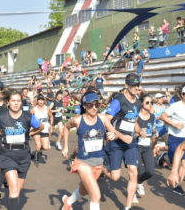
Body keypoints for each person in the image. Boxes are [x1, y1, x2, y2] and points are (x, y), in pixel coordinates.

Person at [61, 91, 121, 210]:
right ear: (84, 105)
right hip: (83, 162)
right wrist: (66, 146)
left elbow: (114, 132)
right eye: (90, 105)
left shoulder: (103, 118)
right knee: (96, 195)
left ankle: (68, 202)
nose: (94, 108)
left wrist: (114, 135)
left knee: (84, 190)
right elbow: (66, 128)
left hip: (98, 163)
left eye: (96, 105)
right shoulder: (78, 120)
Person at [0, 89, 43, 210]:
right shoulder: (1, 116)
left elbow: (41, 127)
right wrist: (1, 132)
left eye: (18, 101)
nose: (15, 103)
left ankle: (8, 181)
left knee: (17, 190)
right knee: (14, 189)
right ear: (8, 102)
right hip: (7, 155)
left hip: (24, 156)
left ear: (21, 102)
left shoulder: (28, 117)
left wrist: (29, 134)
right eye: (13, 101)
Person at [103, 73, 142, 209]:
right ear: (126, 86)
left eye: (137, 85)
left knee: (133, 172)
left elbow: (134, 121)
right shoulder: (118, 101)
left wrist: (139, 131)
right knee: (115, 177)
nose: (136, 87)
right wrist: (119, 135)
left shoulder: (138, 102)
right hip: (116, 143)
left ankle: (127, 207)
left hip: (131, 143)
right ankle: (100, 169)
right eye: (133, 85)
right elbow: (106, 120)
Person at [159, 86, 185, 195]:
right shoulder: (174, 106)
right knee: (174, 162)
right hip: (174, 137)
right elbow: (163, 116)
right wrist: (174, 124)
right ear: (182, 95)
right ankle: (164, 157)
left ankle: (177, 185)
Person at [135, 94, 157, 199]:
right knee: (138, 171)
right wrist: (139, 133)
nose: (150, 104)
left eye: (151, 102)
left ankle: (138, 183)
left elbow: (152, 129)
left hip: (147, 146)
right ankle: (132, 191)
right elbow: (131, 131)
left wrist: (154, 133)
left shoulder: (152, 116)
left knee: (150, 172)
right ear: (141, 103)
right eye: (147, 102)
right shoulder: (136, 116)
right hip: (136, 146)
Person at [30, 94, 54, 168]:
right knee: (38, 145)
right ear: (37, 101)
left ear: (44, 101)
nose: (41, 101)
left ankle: (39, 150)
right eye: (39, 100)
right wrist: (30, 127)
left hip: (45, 129)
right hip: (36, 129)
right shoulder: (34, 109)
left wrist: (51, 125)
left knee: (46, 147)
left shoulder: (47, 109)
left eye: (42, 100)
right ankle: (36, 162)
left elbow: (51, 116)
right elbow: (29, 119)